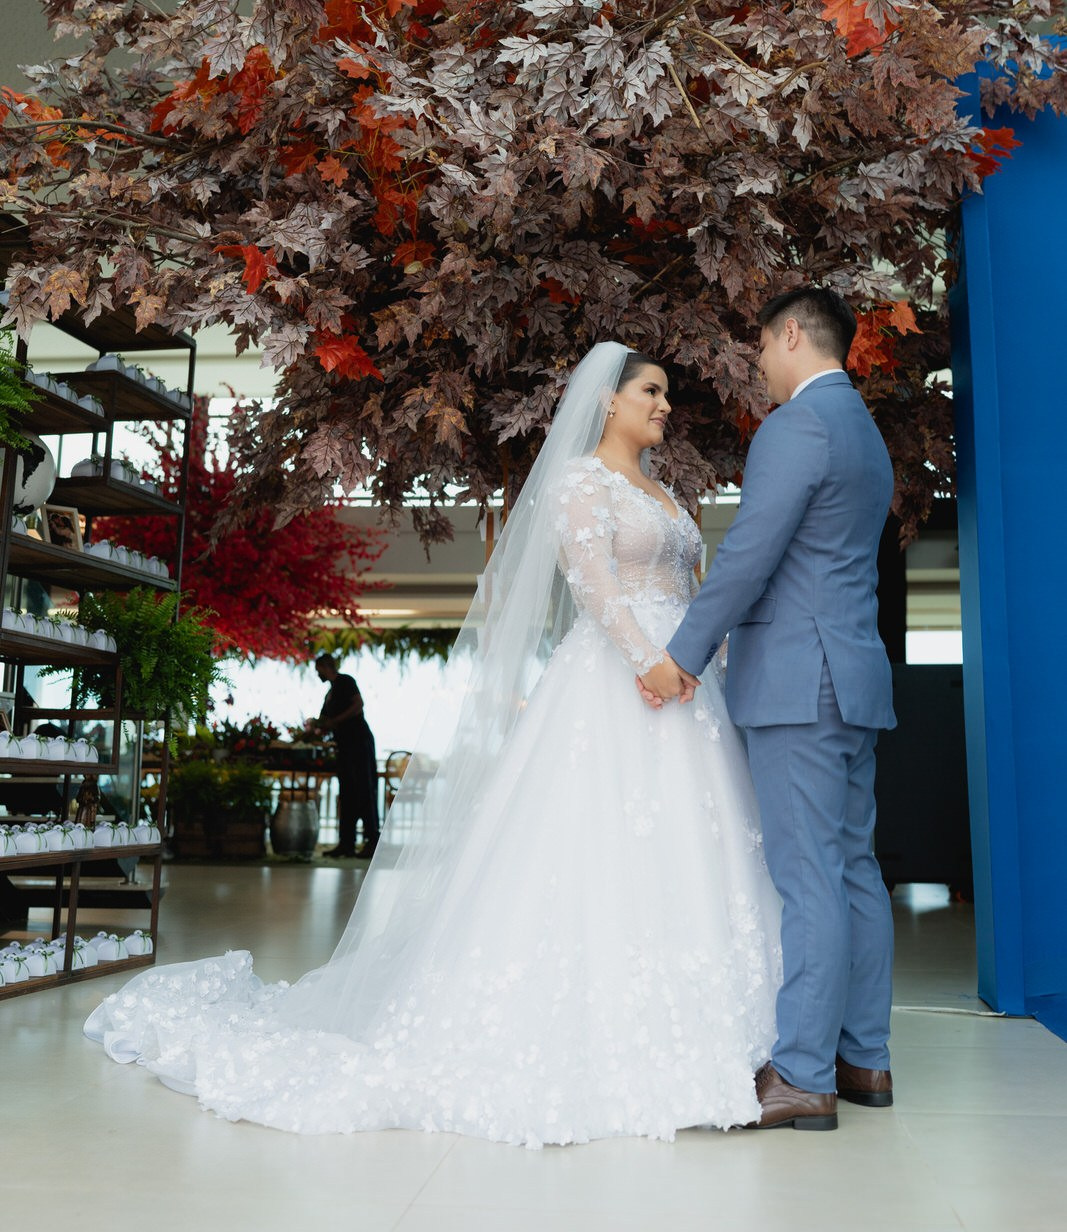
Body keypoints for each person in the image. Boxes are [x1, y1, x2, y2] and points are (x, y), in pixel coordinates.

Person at [83, 342, 781, 1144]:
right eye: (650, 390)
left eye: (664, 393)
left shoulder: (663, 493)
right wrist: (648, 661)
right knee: (593, 840)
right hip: (620, 680)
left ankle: (733, 1034)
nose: (664, 404)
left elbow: (695, 586)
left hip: (687, 688)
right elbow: (593, 585)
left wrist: (698, 660)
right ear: (607, 401)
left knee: (694, 844)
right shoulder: (580, 482)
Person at [639, 288, 896, 1132]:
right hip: (850, 677)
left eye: (759, 348)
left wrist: (681, 653)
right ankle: (863, 1059)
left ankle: (800, 1075)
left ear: (790, 334)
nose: (757, 365)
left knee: (809, 874)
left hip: (797, 683)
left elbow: (750, 553)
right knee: (853, 869)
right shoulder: (862, 431)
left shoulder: (797, 425)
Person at [312, 652, 379, 859]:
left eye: (318, 670)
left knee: (364, 789)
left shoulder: (346, 681)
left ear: (326, 667)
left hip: (359, 742)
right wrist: (313, 729)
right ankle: (346, 842)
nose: (317, 674)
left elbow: (358, 705)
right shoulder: (330, 693)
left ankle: (372, 840)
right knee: (347, 792)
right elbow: (323, 720)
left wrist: (336, 721)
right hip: (344, 746)